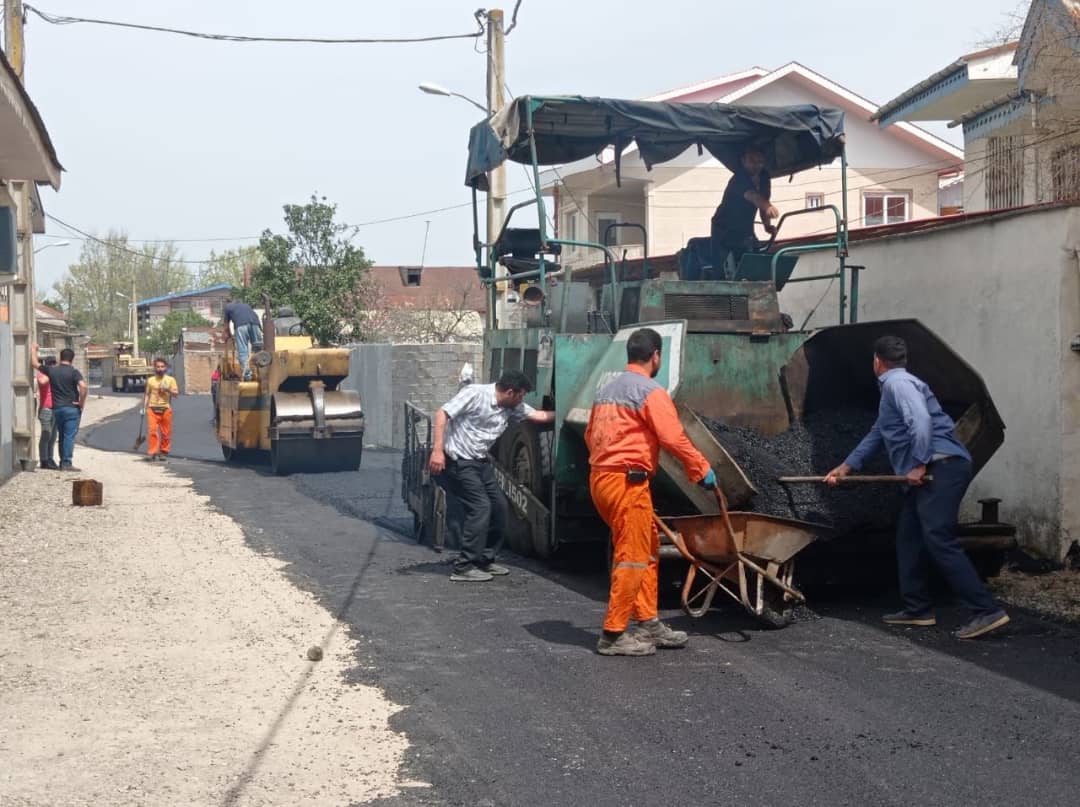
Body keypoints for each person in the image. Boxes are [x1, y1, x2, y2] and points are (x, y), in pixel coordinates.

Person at [825, 335, 1010, 640]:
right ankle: (917, 608)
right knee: (909, 536)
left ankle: (986, 610)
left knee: (938, 538)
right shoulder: (892, 390)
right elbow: (877, 434)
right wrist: (847, 467)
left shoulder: (899, 385)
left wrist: (921, 463)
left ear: (876, 361)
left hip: (942, 467)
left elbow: (921, 422)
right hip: (933, 467)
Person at [585, 327, 718, 657]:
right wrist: (701, 470)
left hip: (602, 478)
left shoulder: (607, 390)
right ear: (656, 355)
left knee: (645, 552)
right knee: (631, 557)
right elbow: (673, 439)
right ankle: (612, 635)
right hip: (627, 483)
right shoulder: (650, 392)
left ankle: (648, 622)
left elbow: (591, 435)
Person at [428, 370, 556, 582]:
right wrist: (437, 451)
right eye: (521, 395)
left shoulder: (511, 406)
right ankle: (464, 566)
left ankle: (484, 560)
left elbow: (539, 416)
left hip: (480, 462)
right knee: (480, 507)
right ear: (509, 392)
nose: (522, 400)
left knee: (499, 506)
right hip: (457, 461)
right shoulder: (475, 394)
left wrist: (573, 411)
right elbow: (442, 413)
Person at [710, 147, 779, 279]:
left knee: (752, 253)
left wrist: (766, 225)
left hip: (745, 225)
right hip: (724, 227)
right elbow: (753, 196)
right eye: (752, 161)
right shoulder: (738, 179)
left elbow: (763, 200)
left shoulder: (764, 177)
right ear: (743, 161)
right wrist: (767, 206)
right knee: (724, 265)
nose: (756, 165)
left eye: (760, 161)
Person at [31, 345, 87, 471]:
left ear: (60, 358)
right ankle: (66, 463)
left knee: (61, 435)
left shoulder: (52, 371)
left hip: (57, 409)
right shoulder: (74, 372)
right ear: (72, 359)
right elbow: (83, 386)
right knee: (68, 436)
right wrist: (81, 402)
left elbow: (34, 363)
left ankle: (62, 463)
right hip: (71, 408)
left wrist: (33, 349)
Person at [143, 358, 179, 461]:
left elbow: (176, 394)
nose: (160, 369)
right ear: (155, 368)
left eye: (162, 367)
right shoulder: (150, 380)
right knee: (152, 431)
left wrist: (167, 389)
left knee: (166, 433)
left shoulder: (170, 380)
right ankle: (153, 452)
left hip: (165, 409)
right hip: (152, 408)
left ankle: (164, 452)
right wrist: (144, 408)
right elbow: (147, 394)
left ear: (166, 368)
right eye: (158, 367)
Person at [222, 298, 262, 380]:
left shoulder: (227, 307)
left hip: (241, 326)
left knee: (242, 350)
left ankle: (248, 376)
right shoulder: (245, 305)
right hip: (255, 324)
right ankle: (261, 372)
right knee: (258, 349)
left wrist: (229, 335)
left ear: (227, 303)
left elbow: (226, 326)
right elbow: (254, 316)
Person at [36, 356, 59, 470]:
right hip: (46, 409)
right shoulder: (42, 375)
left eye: (55, 364)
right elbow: (42, 381)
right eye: (52, 364)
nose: (54, 366)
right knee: (46, 434)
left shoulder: (55, 376)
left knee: (53, 436)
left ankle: (50, 458)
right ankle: (44, 460)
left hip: (55, 409)